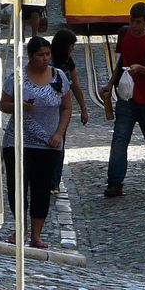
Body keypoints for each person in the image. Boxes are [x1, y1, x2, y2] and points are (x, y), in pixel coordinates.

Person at [0, 36, 72, 248]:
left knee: (41, 189)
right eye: (40, 55)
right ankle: (20, 229)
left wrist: (60, 133)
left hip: (48, 144)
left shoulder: (58, 76)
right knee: (18, 188)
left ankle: (36, 236)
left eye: (47, 54)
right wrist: (19, 106)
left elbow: (67, 107)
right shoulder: (18, 78)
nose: (45, 58)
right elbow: (4, 104)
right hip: (17, 142)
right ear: (31, 56)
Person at [99, 2, 145, 197]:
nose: (134, 26)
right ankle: (115, 182)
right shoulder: (125, 34)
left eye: (138, 22)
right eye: (132, 21)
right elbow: (122, 62)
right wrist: (111, 83)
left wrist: (140, 69)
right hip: (127, 97)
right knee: (119, 139)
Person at [49, 28, 89, 192]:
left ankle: (54, 183)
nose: (72, 49)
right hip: (47, 109)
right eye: (71, 46)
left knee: (59, 145)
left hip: (62, 110)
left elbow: (75, 85)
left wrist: (83, 107)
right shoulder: (48, 60)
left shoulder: (68, 61)